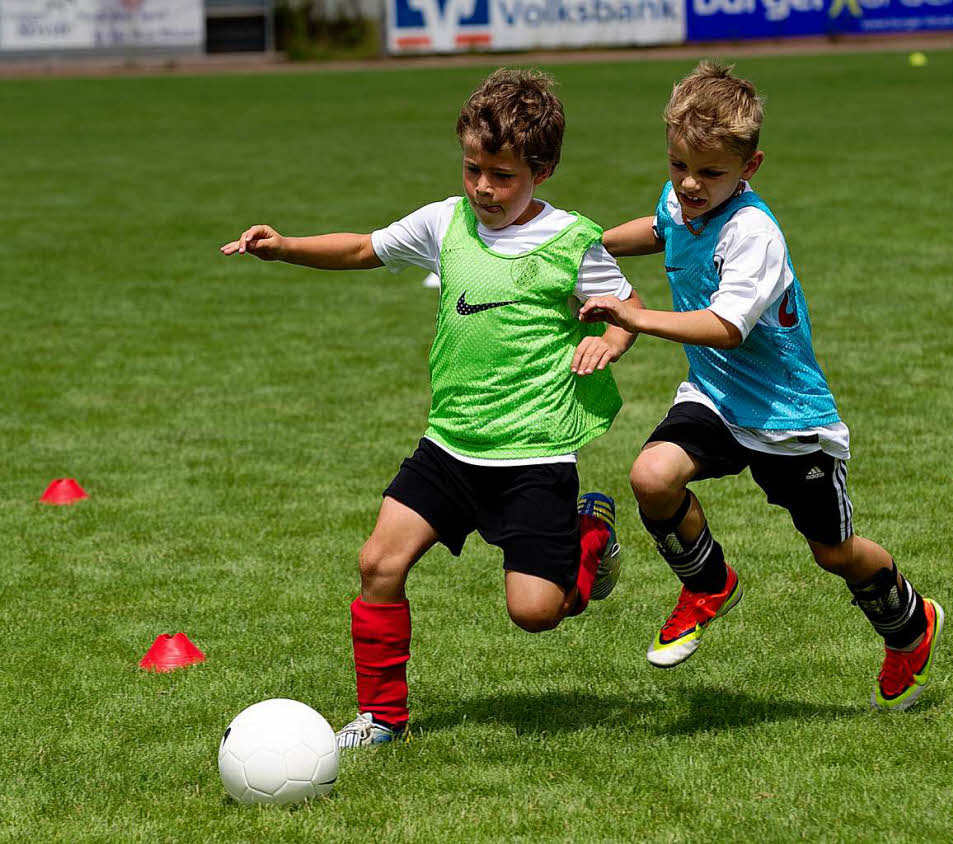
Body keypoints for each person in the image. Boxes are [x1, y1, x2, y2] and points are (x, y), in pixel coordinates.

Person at [221, 68, 642, 746]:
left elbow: (628, 307)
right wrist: (284, 248)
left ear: (543, 168)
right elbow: (362, 248)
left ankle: (589, 533)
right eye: (474, 168)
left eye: (502, 175)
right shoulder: (445, 222)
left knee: (537, 614)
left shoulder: (571, 240)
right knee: (378, 563)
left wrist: (613, 339)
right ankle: (381, 717)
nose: (483, 187)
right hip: (448, 447)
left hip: (531, 457)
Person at [581, 62, 943, 711]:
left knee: (834, 553)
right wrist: (580, 247)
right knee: (652, 477)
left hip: (787, 419)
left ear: (750, 167)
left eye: (709, 173)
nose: (689, 184)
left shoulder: (753, 233)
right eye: (678, 166)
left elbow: (724, 326)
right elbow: (661, 225)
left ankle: (910, 626)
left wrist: (634, 314)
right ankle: (708, 584)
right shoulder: (683, 198)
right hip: (717, 401)